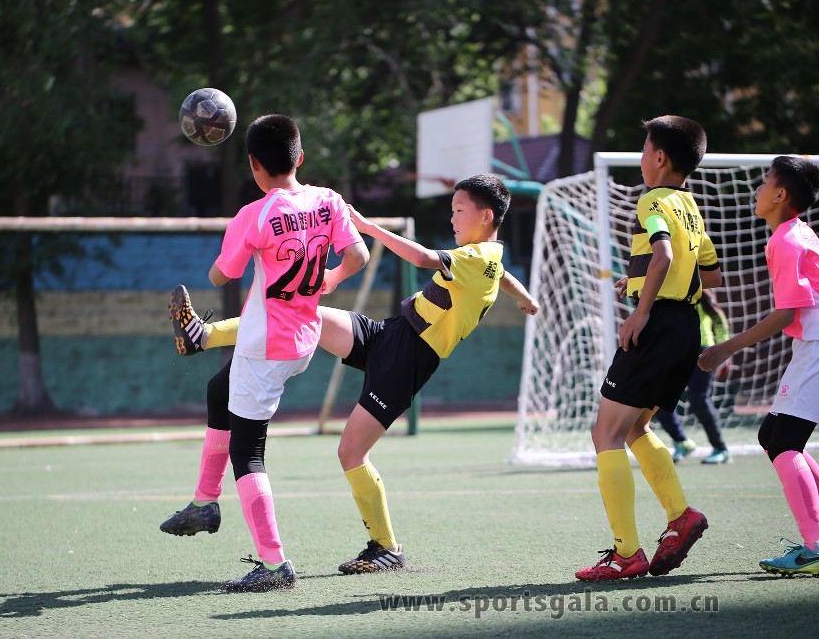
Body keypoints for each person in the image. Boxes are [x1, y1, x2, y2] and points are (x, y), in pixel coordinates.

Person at [166, 173, 539, 574]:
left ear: (485, 216)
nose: (452, 218)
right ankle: (202, 335)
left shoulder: (476, 257)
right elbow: (503, 276)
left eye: (459, 210)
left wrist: (366, 227)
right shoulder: (489, 259)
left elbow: (422, 258)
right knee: (303, 314)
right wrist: (526, 298)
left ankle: (386, 547)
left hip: (407, 362)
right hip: (391, 334)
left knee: (350, 452)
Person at [159, 113, 369, 592]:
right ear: (300, 157)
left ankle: (275, 566)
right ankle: (204, 503)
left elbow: (220, 276)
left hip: (266, 346)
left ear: (253, 164)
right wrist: (328, 280)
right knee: (219, 391)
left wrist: (242, 241)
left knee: (247, 452)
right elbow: (358, 256)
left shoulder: (253, 215)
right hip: (303, 339)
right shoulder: (329, 200)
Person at [575, 115, 722, 582]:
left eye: (643, 149)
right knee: (636, 427)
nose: (641, 158)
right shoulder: (691, 207)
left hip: (656, 325)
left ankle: (626, 554)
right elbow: (710, 274)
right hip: (685, 327)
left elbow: (664, 255)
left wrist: (641, 311)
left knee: (605, 434)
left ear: (659, 157)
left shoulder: (652, 199)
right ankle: (681, 517)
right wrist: (637, 281)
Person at [698, 155, 819, 577]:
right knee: (772, 435)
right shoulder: (795, 234)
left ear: (780, 195)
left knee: (784, 442)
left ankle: (817, 550)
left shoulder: (788, 241)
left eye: (765, 182)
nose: (758, 189)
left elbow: (785, 314)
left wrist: (726, 347)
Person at [654, 288, 732, 464]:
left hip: (702, 351)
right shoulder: (662, 290)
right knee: (658, 401)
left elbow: (718, 319)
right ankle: (681, 442)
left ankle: (721, 449)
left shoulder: (699, 290)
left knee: (699, 399)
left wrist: (724, 350)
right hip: (673, 353)